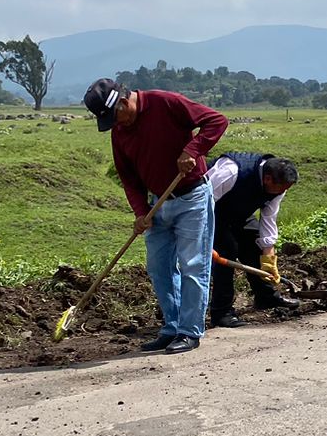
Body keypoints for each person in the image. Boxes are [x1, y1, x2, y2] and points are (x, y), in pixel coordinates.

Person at [84, 78, 227, 353]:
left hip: (192, 197)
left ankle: (189, 331)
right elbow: (128, 177)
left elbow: (217, 121)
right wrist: (141, 213)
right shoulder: (120, 130)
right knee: (158, 267)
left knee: (192, 265)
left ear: (124, 102)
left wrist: (193, 150)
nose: (117, 125)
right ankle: (171, 327)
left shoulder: (166, 103)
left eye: (117, 118)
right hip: (157, 204)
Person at [207, 152, 301, 328]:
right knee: (226, 253)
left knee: (254, 244)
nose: (283, 192)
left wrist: (269, 258)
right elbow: (202, 201)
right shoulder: (231, 171)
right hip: (211, 214)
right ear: (267, 179)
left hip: (240, 214)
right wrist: (201, 238)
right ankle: (221, 312)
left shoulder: (279, 185)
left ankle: (266, 297)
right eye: (281, 188)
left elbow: (269, 218)